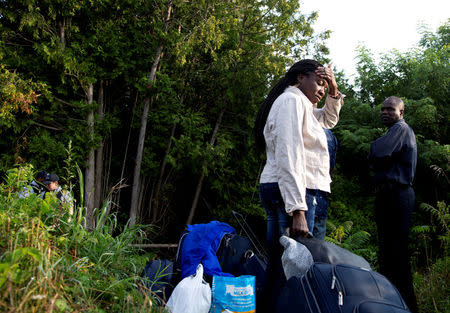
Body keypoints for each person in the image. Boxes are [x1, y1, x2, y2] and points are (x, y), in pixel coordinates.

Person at [254, 59, 343, 311]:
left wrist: (334, 88)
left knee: (284, 268)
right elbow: (289, 154)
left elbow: (327, 120)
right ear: (300, 78)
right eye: (319, 82)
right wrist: (298, 210)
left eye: (325, 85)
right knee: (293, 270)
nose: (322, 89)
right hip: (296, 195)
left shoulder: (301, 104)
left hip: (299, 193)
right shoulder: (292, 101)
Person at [368, 96, 418, 313]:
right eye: (382, 109)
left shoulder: (401, 129)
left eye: (391, 109)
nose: (385, 112)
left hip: (397, 195)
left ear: (401, 113)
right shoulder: (393, 132)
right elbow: (377, 157)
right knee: (387, 254)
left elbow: (378, 152)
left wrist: (374, 149)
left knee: (396, 254)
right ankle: (393, 304)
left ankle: (406, 306)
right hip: (389, 195)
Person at [309, 128, 338, 240]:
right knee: (317, 250)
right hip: (321, 196)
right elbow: (331, 170)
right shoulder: (330, 136)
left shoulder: (301, 128)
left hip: (302, 200)